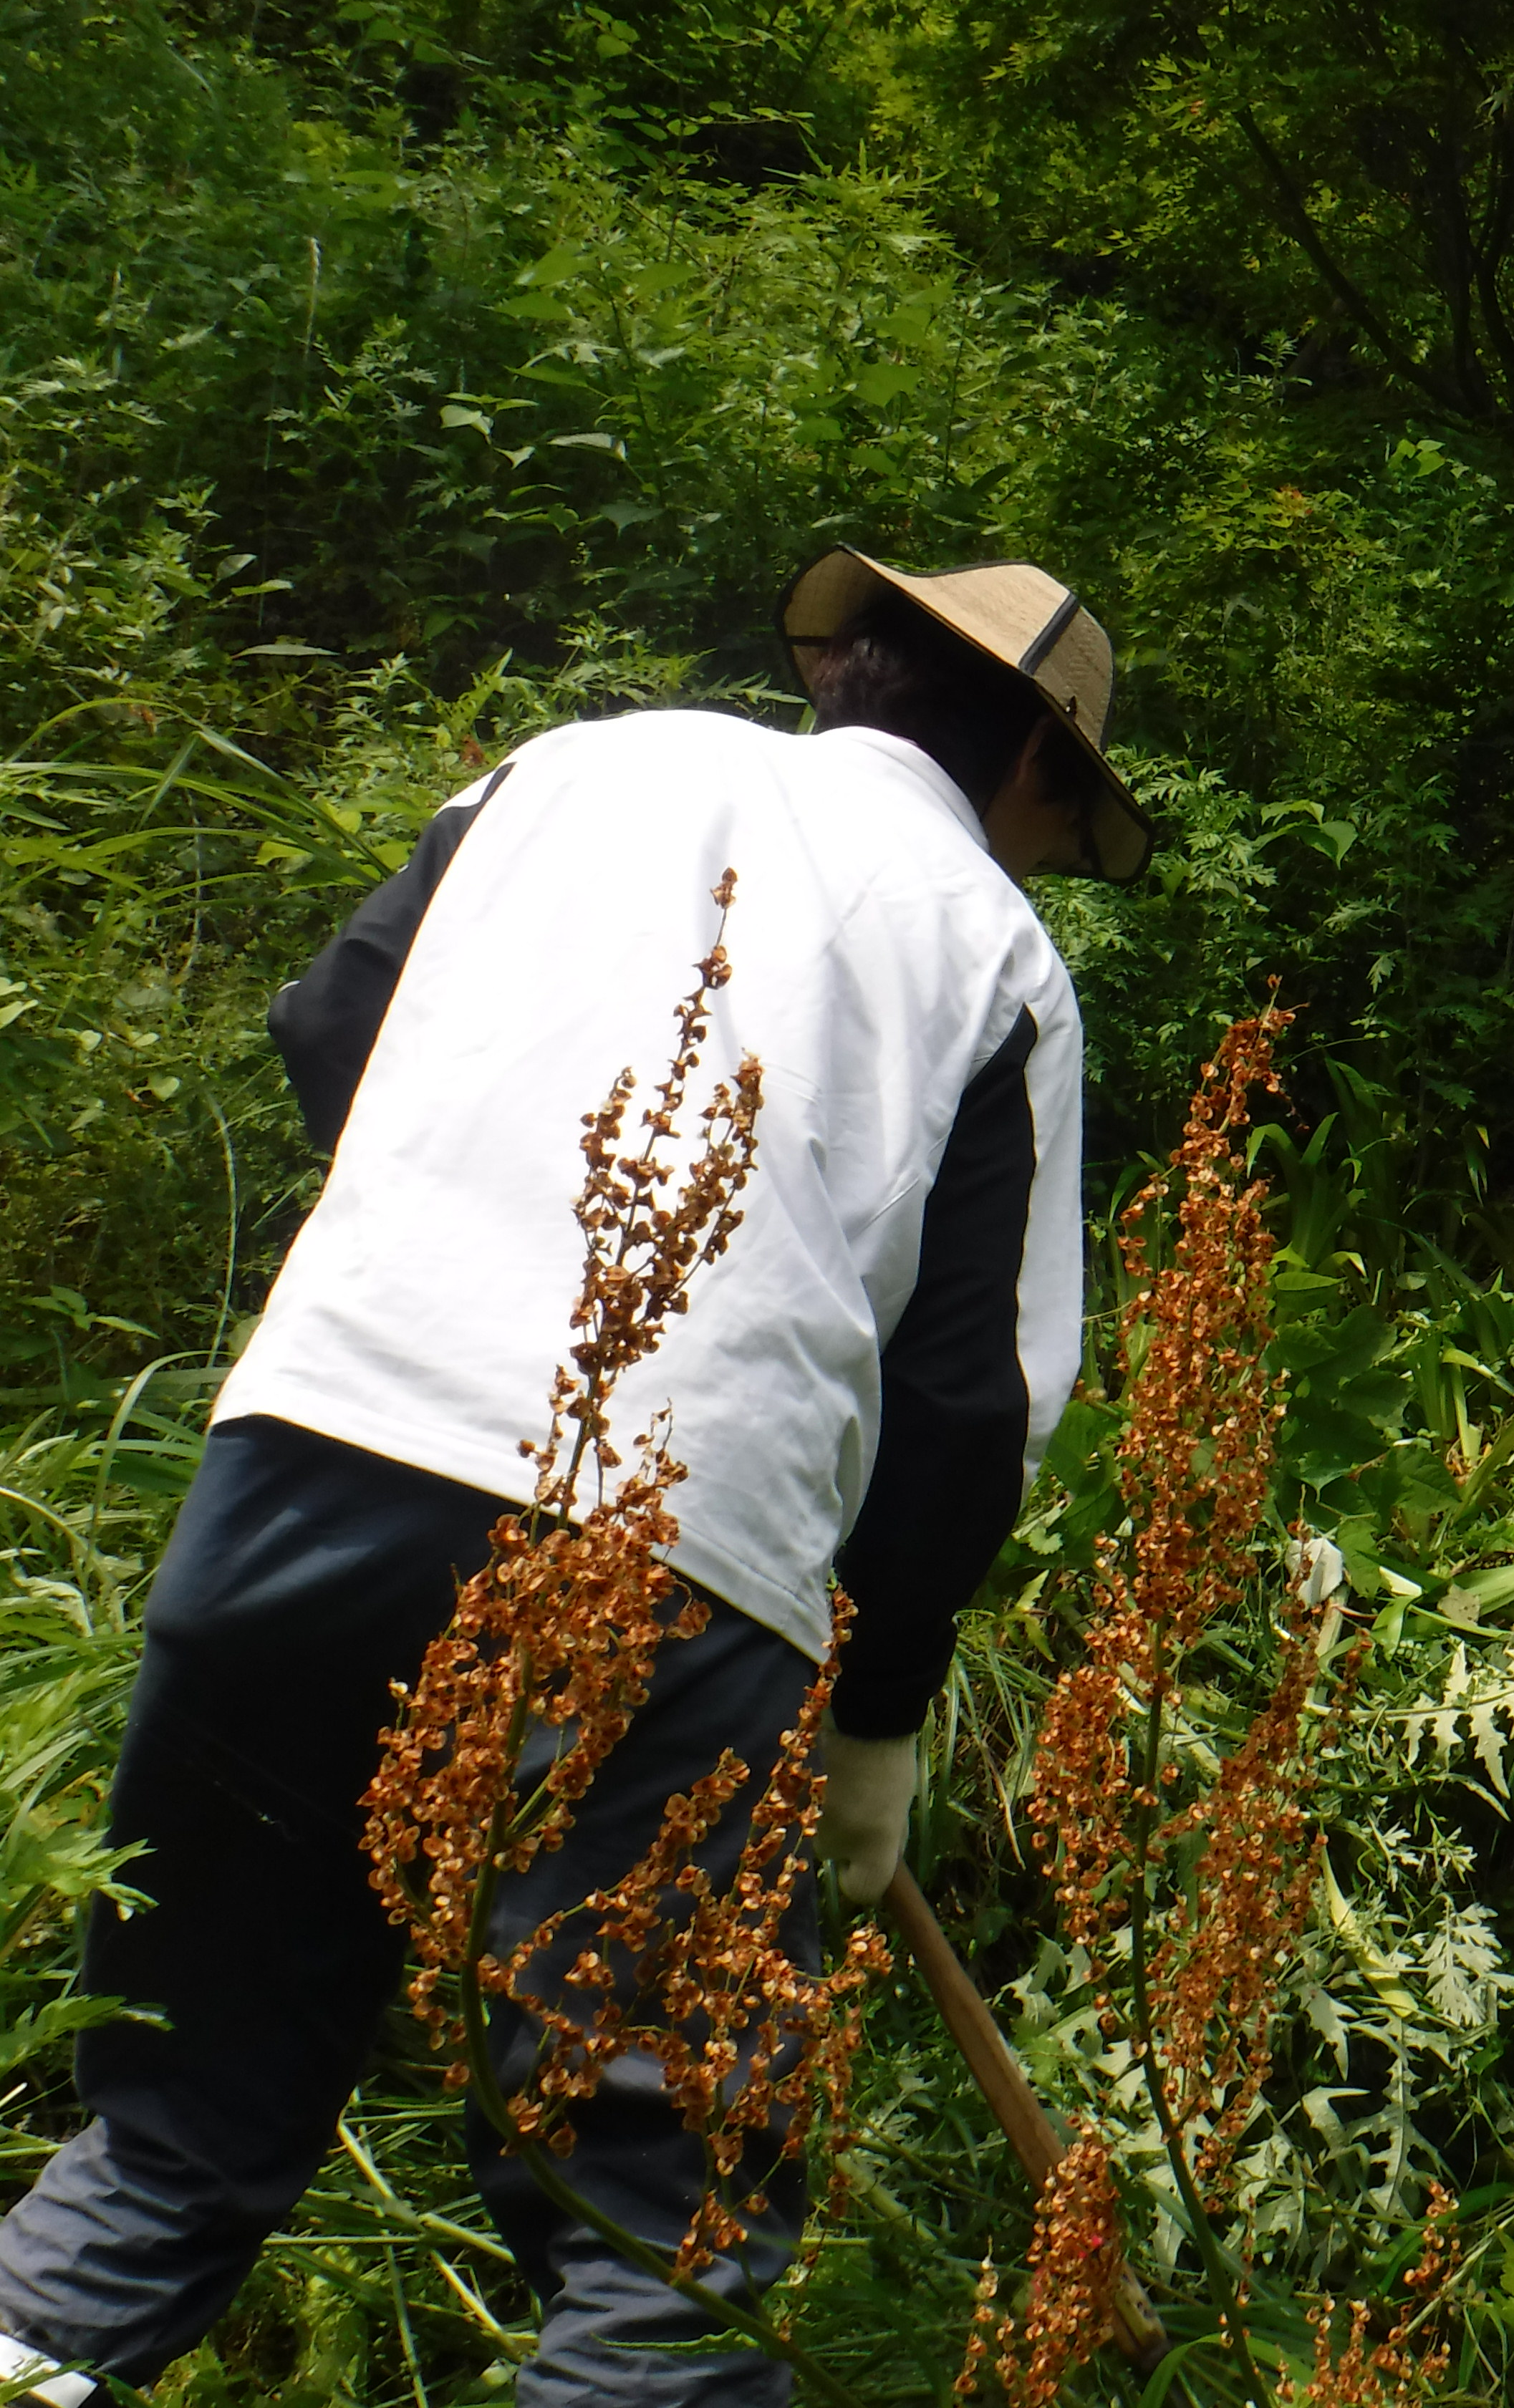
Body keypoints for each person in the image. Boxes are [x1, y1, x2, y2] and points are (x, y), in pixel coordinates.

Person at [0, 550, 1150, 2406]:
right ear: (1033, 763)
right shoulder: (990, 945)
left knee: (167, 2145)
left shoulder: (574, 763)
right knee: (660, 2254)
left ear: (854, 674)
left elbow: (328, 1032)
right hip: (674, 1569)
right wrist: (876, 1719)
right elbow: (966, 1410)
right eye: (1058, 816)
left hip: (309, 1465)